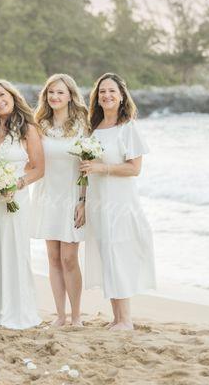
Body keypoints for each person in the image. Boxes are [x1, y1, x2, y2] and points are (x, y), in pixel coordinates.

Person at [80, 73, 155, 331]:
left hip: (120, 204)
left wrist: (102, 168)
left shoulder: (128, 127)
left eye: (112, 91)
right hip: (98, 202)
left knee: (119, 256)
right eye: (102, 92)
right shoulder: (94, 128)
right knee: (107, 256)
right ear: (96, 97)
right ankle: (117, 318)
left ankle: (126, 320)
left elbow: (134, 169)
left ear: (122, 96)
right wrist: (82, 201)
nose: (107, 96)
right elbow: (85, 169)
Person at [0, 79, 44, 329]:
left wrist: (18, 185)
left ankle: (16, 310)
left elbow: (38, 168)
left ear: (13, 96)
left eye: (2, 95)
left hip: (15, 200)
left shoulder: (28, 128)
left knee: (14, 252)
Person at [31, 74, 89, 326]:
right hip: (46, 197)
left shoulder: (82, 126)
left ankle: (76, 316)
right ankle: (60, 315)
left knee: (69, 258)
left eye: (60, 93)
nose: (55, 97)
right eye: (51, 92)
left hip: (71, 198)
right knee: (53, 258)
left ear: (70, 96)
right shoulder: (39, 125)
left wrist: (83, 201)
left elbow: (87, 166)